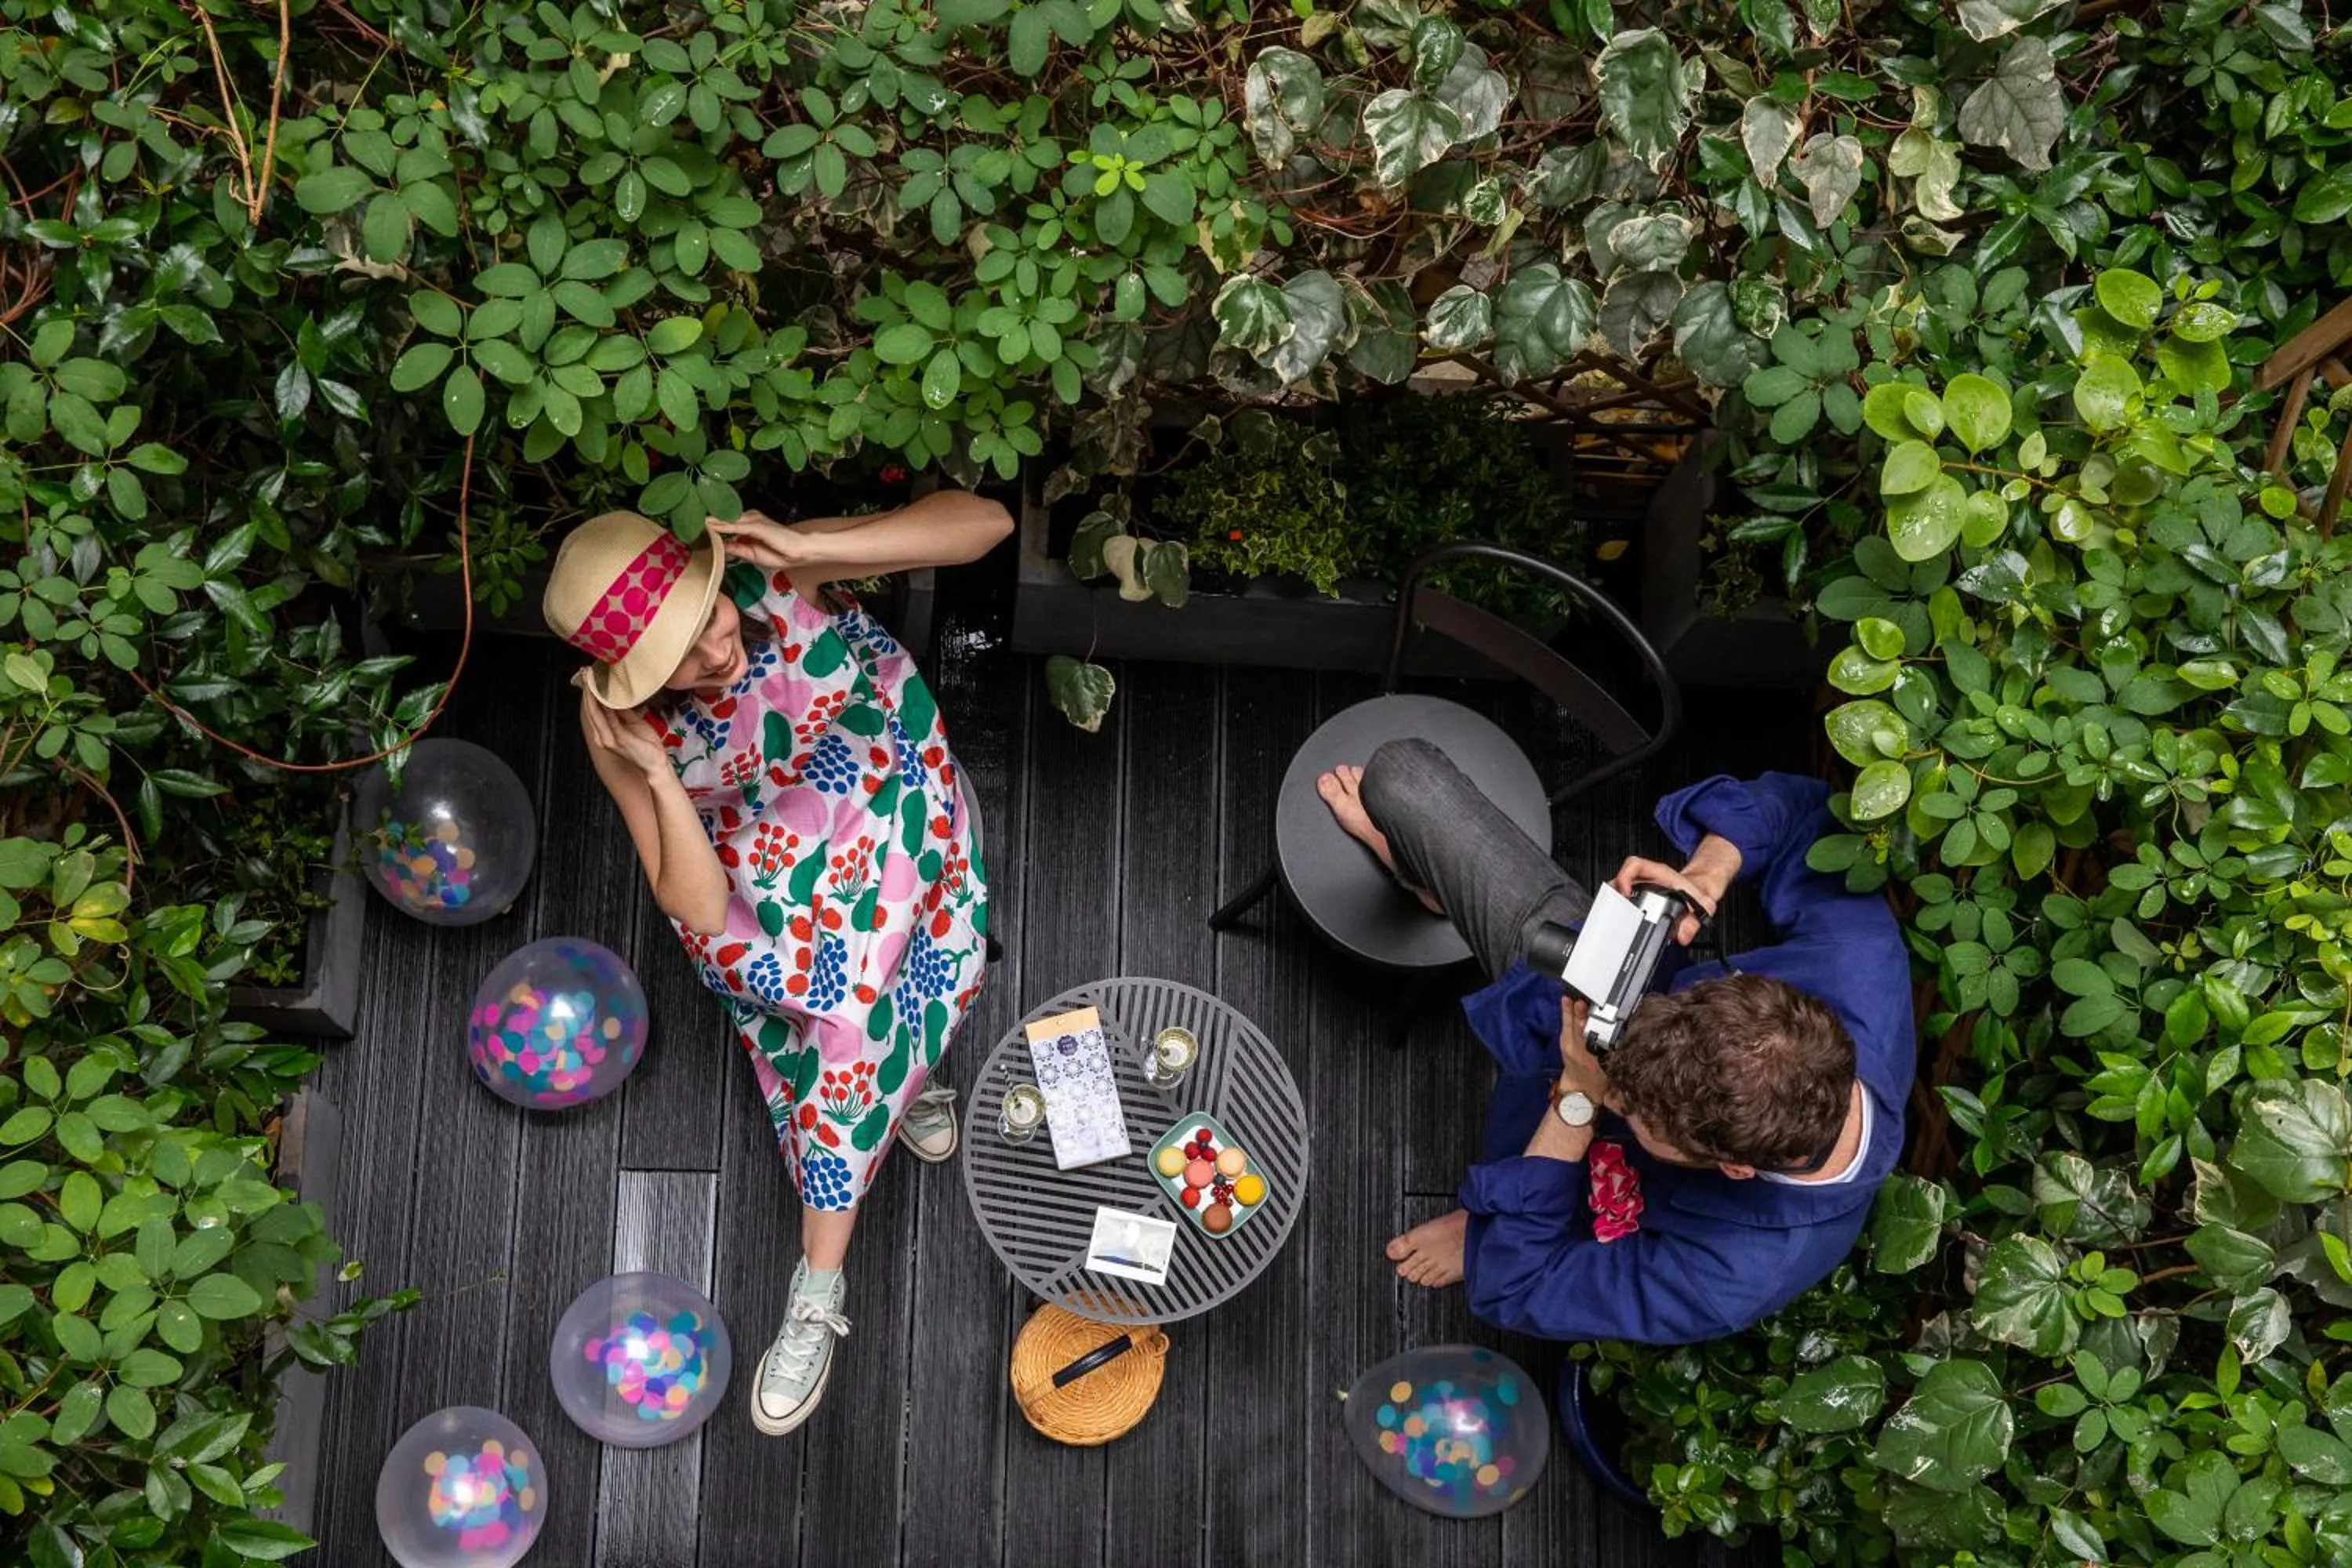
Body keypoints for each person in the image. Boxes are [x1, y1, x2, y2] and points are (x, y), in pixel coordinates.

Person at [543, 490, 1012, 1433]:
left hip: (886, 802)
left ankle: (819, 1276)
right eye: (678, 659)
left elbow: (987, 527)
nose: (715, 653)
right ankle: (899, 1091)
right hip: (759, 872)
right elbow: (693, 902)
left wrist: (815, 541)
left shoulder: (776, 571)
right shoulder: (622, 729)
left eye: (708, 620)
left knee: (856, 1025)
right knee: (847, 1014)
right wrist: (657, 773)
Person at [1318, 739, 1913, 1344]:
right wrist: (1708, 872)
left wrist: (1580, 1096)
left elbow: (1516, 1287)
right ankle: (1424, 883)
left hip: (1580, 1186)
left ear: (1733, 1169)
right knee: (1402, 778)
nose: (1612, 1082)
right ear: (1750, 992)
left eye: (1631, 1108)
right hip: (1593, 986)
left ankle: (1491, 1215)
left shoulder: (1731, 1276)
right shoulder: (1856, 969)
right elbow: (1810, 816)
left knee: (1500, 1247)